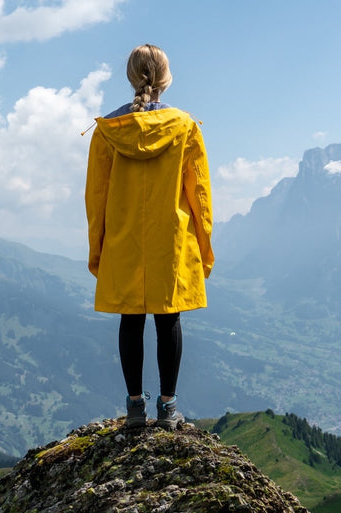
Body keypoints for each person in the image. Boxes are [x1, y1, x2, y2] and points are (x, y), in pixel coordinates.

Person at [85, 44, 214, 430]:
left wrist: (98, 249)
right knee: (167, 318)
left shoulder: (108, 132)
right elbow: (200, 196)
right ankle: (169, 408)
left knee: (130, 317)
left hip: (123, 238)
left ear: (131, 77)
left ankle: (135, 410)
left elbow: (96, 196)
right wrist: (204, 247)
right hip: (170, 240)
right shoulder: (185, 126)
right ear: (165, 79)